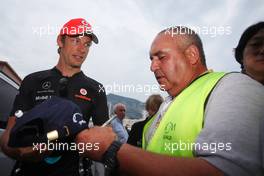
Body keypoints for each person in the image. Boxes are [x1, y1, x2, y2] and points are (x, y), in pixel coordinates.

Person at [75, 26, 264, 176]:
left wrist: (112, 151)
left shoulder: (233, 86)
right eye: (151, 59)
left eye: (161, 57)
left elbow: (227, 170)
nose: (152, 66)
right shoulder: (167, 105)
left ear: (192, 55)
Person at [0, 18, 109, 176]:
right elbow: (7, 137)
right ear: (60, 41)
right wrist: (22, 152)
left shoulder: (96, 89)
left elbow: (102, 142)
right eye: (75, 40)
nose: (82, 49)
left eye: (87, 44)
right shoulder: (32, 81)